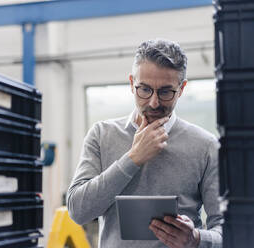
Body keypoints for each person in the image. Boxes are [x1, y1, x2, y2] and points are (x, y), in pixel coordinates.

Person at [67, 39, 223, 248]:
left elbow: (227, 230)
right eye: (144, 89)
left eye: (166, 92)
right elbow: (78, 211)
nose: (154, 102)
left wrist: (196, 239)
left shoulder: (205, 146)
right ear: (132, 83)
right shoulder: (101, 134)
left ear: (182, 88)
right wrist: (133, 158)